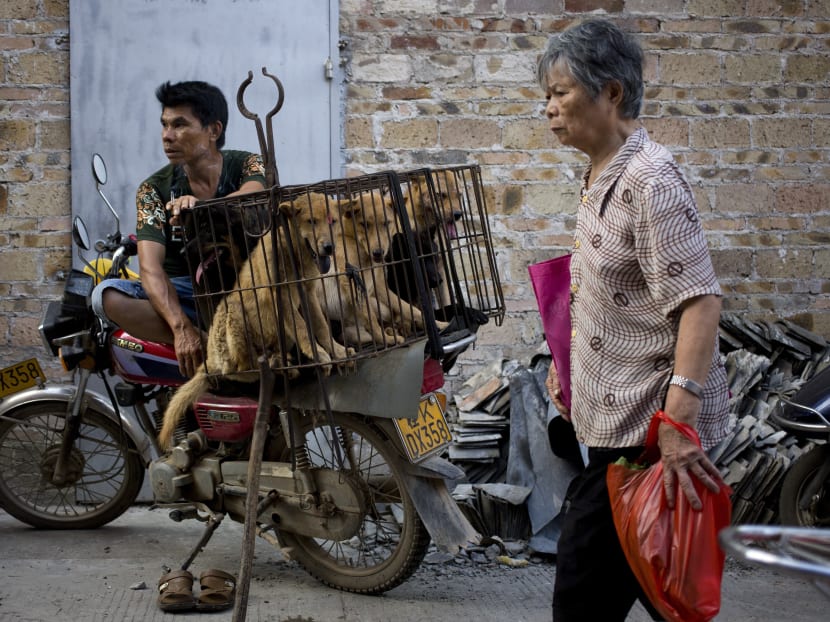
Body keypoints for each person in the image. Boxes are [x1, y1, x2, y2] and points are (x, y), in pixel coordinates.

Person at [536, 19, 733, 621]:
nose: (548, 109)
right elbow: (607, 292)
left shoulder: (651, 180)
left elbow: (699, 301)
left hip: (646, 436)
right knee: (663, 591)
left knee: (583, 594)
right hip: (611, 425)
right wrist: (567, 368)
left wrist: (677, 422)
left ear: (612, 92)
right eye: (546, 95)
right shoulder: (600, 172)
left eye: (561, 92)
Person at [92, 80, 266, 378]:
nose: (167, 136)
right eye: (164, 125)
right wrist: (181, 328)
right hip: (187, 296)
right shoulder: (152, 190)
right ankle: (209, 348)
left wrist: (200, 208)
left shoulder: (247, 163)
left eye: (180, 125)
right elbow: (150, 268)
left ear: (213, 130)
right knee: (106, 296)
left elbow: (253, 194)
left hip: (245, 285)